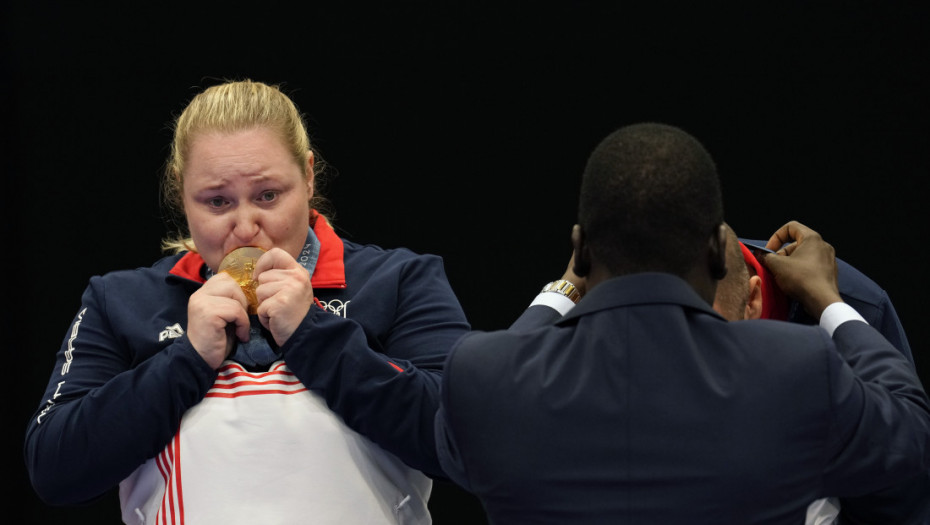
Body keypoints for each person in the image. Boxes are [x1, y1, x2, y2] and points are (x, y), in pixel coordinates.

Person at [434, 123, 930, 524]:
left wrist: (559, 292)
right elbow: (908, 430)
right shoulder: (794, 366)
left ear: (581, 251)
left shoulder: (480, 375)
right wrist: (827, 299)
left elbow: (458, 445)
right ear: (719, 252)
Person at [24, 79, 470, 524]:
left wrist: (315, 336)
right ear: (182, 193)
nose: (245, 226)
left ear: (309, 175)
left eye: (268, 196)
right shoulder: (118, 300)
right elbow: (54, 470)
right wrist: (186, 360)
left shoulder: (400, 280)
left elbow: (468, 442)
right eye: (217, 201)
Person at [716, 223, 930, 525]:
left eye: (706, 338)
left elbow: (903, 482)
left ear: (752, 300)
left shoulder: (858, 309)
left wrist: (828, 304)